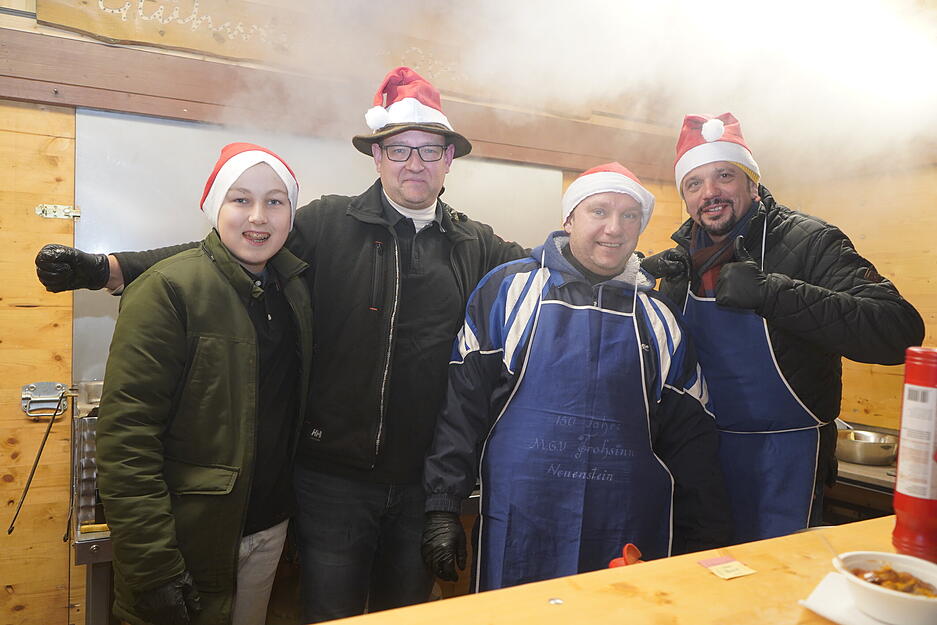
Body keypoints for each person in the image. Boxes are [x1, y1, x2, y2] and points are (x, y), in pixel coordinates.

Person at [35, 67, 526, 622]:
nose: (415, 163)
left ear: (449, 159)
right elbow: (229, 245)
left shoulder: (477, 244)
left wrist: (626, 266)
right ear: (377, 156)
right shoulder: (325, 223)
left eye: (429, 150)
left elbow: (547, 270)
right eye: (399, 149)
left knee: (410, 614)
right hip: (331, 481)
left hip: (421, 484)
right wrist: (110, 267)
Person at [420, 163, 732, 592]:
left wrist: (707, 536)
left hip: (625, 530)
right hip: (520, 522)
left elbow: (692, 441)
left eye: (629, 217)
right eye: (599, 211)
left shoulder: (659, 319)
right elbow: (462, 408)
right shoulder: (508, 292)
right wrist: (442, 505)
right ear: (569, 219)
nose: (614, 228)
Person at [640, 113, 925, 543]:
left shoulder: (810, 241)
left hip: (786, 458)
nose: (710, 192)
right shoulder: (680, 265)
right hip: (700, 460)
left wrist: (774, 294)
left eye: (724, 176)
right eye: (694, 184)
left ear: (752, 183)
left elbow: (898, 330)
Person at [95, 143, 313, 625]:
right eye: (241, 199)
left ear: (292, 215)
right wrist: (152, 566)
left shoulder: (292, 291)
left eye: (275, 202)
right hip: (186, 535)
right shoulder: (167, 290)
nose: (258, 216)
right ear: (215, 205)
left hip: (267, 529)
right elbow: (127, 439)